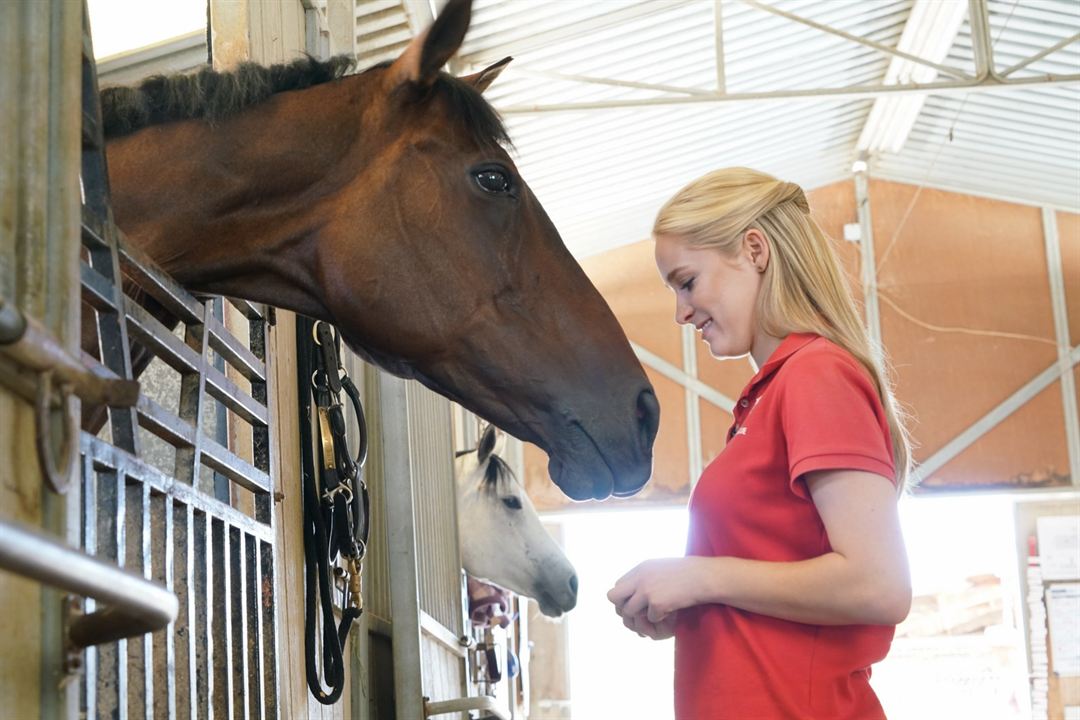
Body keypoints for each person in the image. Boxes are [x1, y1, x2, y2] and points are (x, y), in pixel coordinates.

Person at [607, 167, 913, 719]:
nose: (681, 312)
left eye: (687, 281)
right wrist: (699, 606)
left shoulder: (816, 374)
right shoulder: (770, 395)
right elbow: (782, 578)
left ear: (754, 250)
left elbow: (877, 585)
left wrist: (698, 576)